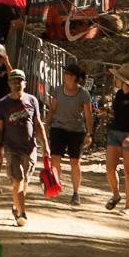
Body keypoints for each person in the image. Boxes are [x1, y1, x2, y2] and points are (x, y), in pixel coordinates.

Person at [0, 68, 50, 226]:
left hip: (30, 148)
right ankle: (21, 213)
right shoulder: (3, 104)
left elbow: (38, 124)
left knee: (25, 180)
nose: (16, 84)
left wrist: (46, 146)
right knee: (18, 179)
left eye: (19, 81)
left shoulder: (32, 100)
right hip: (12, 148)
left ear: (25, 83)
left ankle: (16, 204)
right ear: (9, 83)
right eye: (13, 81)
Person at [46, 62, 94, 205]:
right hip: (58, 128)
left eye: (67, 73)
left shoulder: (83, 94)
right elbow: (52, 109)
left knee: (75, 162)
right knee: (55, 159)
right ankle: (56, 185)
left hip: (76, 131)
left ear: (74, 77)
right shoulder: (58, 90)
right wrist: (46, 125)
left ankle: (76, 193)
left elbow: (88, 115)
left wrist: (89, 134)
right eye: (65, 73)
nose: (64, 75)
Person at [105, 62, 129, 217]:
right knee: (110, 168)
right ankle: (116, 195)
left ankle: (128, 207)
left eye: (117, 77)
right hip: (115, 133)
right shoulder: (119, 94)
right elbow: (118, 114)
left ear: (123, 80)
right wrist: (106, 113)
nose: (115, 80)